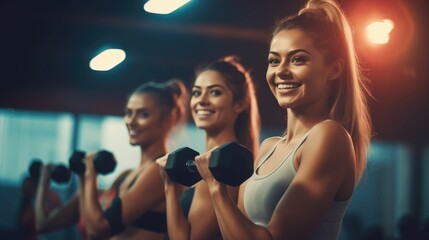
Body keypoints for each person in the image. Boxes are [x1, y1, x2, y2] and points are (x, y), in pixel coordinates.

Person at [193, 0, 372, 239]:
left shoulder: (329, 136)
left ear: (334, 69)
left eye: (298, 59)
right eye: (274, 60)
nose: (281, 71)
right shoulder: (269, 147)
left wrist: (216, 188)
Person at [35, 79, 188, 240]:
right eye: (129, 113)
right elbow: (42, 224)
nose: (131, 121)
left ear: (170, 118)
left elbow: (98, 229)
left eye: (143, 114)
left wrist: (90, 175)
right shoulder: (125, 176)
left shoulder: (160, 172)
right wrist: (48, 179)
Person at [156, 56, 260, 239]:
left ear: (239, 104)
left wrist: (170, 187)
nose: (202, 101)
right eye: (196, 93)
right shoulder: (204, 164)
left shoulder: (222, 168)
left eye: (215, 93)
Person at [18, 175, 61, 240]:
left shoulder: (49, 197)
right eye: (24, 187)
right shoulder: (27, 202)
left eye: (27, 187)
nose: (24, 190)